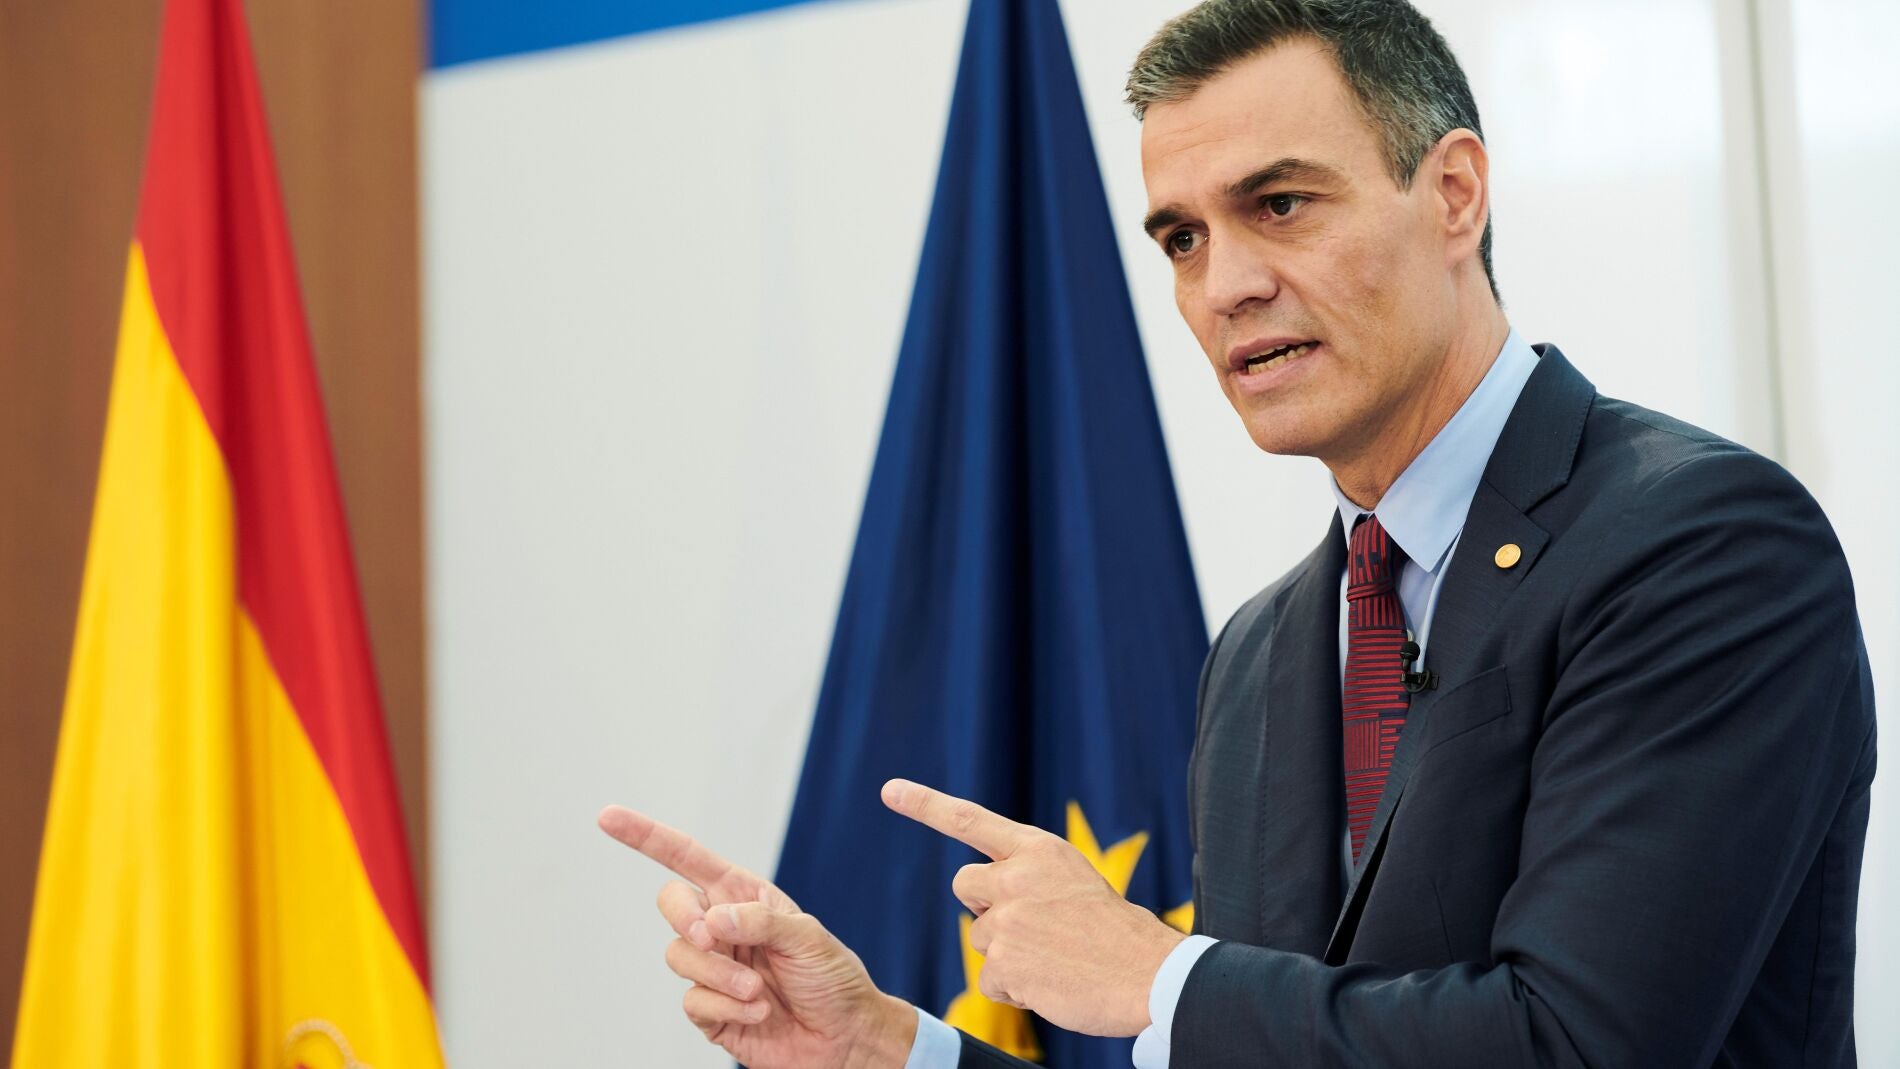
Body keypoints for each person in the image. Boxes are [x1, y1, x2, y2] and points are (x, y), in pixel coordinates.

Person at [598, 0, 1877, 1065]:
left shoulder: (1701, 545)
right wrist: (890, 1047)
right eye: (1181, 237)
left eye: (1279, 205)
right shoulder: (1260, 654)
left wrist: (1158, 978)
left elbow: (1581, 1043)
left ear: (1453, 194)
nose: (1224, 286)